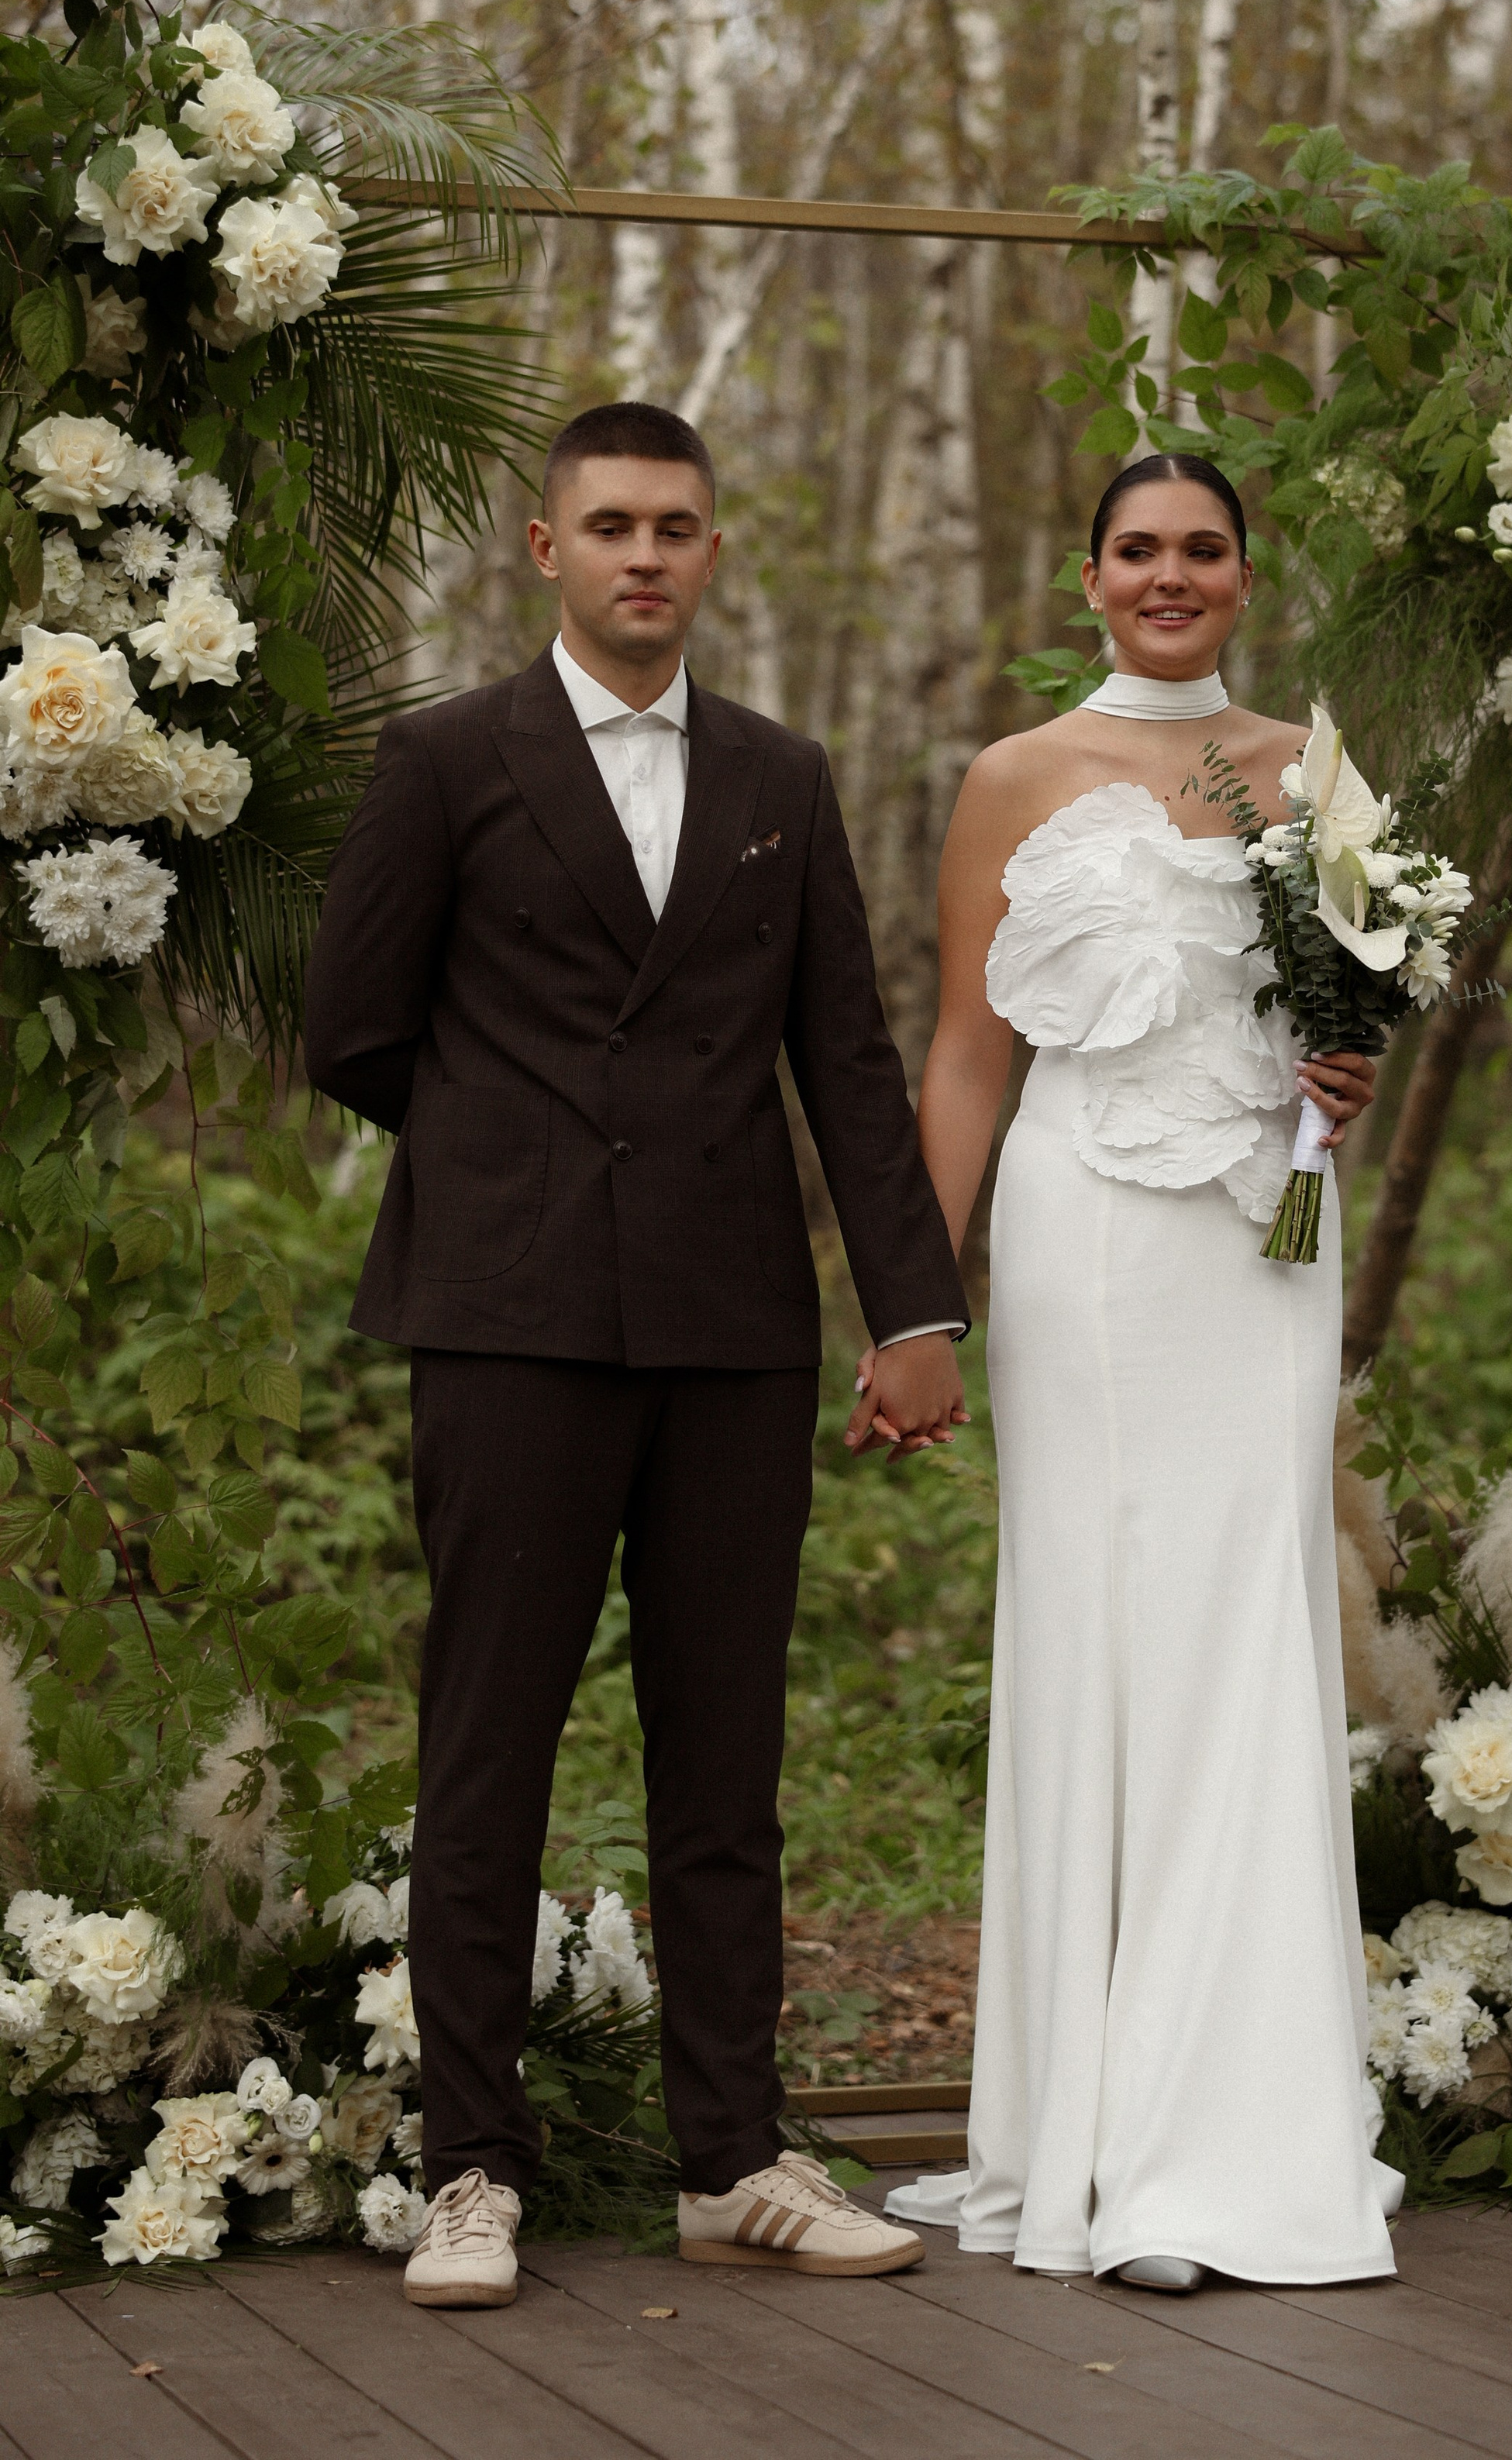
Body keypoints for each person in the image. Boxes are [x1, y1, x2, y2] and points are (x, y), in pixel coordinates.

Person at [304, 401, 970, 2306]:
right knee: (487, 1748)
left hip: (730, 1328)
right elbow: (354, 1026)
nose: (644, 555)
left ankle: (732, 2158)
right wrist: (510, 1164)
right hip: (504, 1321)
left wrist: (913, 1308)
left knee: (724, 1760)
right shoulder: (447, 759)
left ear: (711, 549)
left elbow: (845, 1061)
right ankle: (470, 2169)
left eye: (674, 525)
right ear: (547, 548)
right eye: (610, 525)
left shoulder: (781, 774)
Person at [909, 453, 1404, 2292]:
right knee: (1098, 1633)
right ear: (1088, 574)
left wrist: (1347, 1075)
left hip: (1261, 1241)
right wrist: (914, 1298)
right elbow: (966, 1053)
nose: (1168, 575)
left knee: (1245, 1632)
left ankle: (1225, 2144)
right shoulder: (1013, 776)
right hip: (1082, 1235)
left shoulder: (1317, 775)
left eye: (1201, 549)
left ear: (1244, 578)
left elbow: (1350, 1014)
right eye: (1137, 549)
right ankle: (1084, 2140)